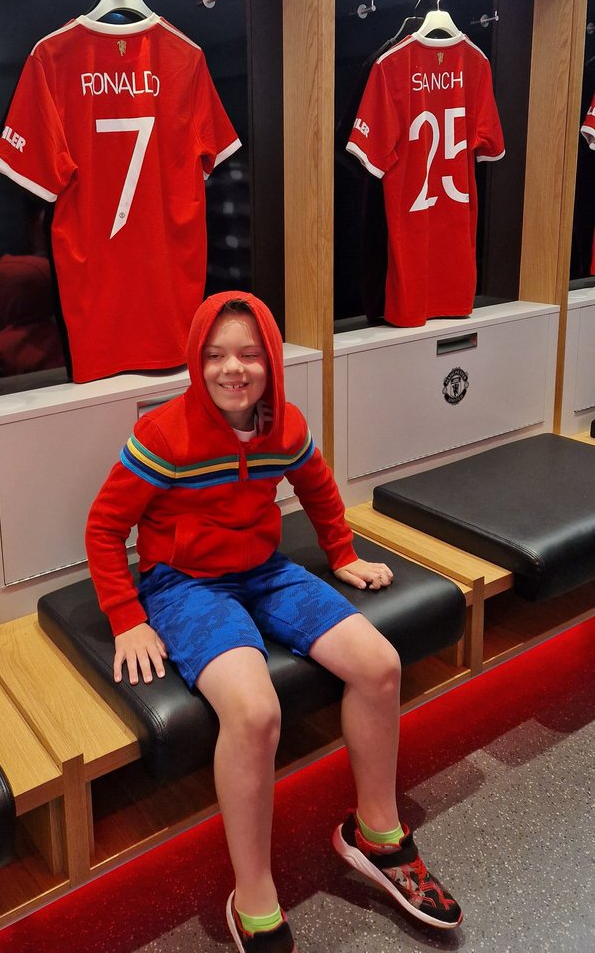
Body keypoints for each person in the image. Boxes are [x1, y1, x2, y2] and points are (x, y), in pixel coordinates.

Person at [85, 292, 461, 952]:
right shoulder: (163, 436)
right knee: (256, 713)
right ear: (196, 362)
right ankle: (252, 892)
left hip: (264, 568)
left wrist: (341, 554)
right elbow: (104, 527)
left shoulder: (282, 424)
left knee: (379, 665)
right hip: (184, 586)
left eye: (249, 354)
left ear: (271, 361)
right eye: (216, 355)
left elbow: (316, 486)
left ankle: (375, 834)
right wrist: (126, 617)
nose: (234, 368)